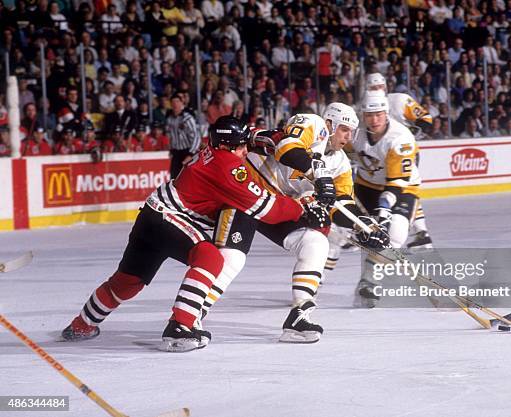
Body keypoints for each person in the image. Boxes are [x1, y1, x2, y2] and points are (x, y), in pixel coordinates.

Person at [61, 116, 330, 352]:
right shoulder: (229, 169)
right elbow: (266, 208)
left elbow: (253, 138)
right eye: (243, 145)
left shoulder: (213, 152)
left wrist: (265, 137)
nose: (246, 150)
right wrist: (302, 209)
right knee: (211, 258)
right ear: (230, 146)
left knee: (127, 281)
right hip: (169, 219)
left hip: (151, 216)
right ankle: (180, 326)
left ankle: (81, 325)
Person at [195, 104, 388, 343]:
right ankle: (192, 312)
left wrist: (361, 225)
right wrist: (319, 173)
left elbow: (341, 204)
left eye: (352, 132)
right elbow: (287, 148)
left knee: (316, 242)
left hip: (278, 204)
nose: (349, 137)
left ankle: (299, 315)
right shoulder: (313, 124)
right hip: (247, 189)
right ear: (330, 124)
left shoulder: (341, 164)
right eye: (345, 129)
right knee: (233, 258)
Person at [348, 90, 423, 307]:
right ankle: (314, 287)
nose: (374, 119)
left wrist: (384, 210)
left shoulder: (400, 138)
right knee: (362, 237)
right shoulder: (355, 133)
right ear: (363, 115)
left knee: (395, 233)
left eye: (379, 114)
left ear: (386, 113)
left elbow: (397, 183)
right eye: (370, 115)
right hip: (366, 187)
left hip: (403, 188)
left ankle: (369, 281)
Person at [360, 72, 434, 250]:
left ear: (385, 87)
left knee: (401, 186)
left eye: (379, 87)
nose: (377, 90)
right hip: (379, 155)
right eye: (372, 88)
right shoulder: (365, 106)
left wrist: (410, 135)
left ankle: (420, 230)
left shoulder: (400, 100)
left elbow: (426, 119)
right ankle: (419, 231)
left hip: (401, 152)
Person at [166, 93, 200, 178]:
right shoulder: (169, 119)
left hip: (187, 151)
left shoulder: (187, 118)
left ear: (182, 103)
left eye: (177, 101)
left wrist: (190, 154)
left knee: (188, 177)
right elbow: (170, 135)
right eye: (173, 102)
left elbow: (196, 136)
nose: (175, 104)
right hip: (176, 153)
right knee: (174, 177)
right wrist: (171, 149)